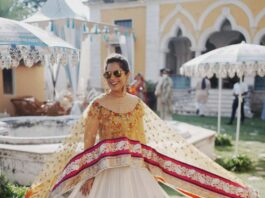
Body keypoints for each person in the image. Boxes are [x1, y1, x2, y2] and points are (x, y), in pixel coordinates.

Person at [26, 54, 257, 198]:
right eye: (108, 74)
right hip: (104, 174)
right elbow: (88, 145)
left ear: (127, 75)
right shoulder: (98, 104)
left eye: (117, 73)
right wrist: (88, 177)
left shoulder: (137, 104)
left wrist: (151, 169)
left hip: (134, 172)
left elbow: (142, 139)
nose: (112, 77)